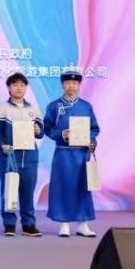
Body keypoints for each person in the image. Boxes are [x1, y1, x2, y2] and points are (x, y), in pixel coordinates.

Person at [44, 70, 100, 238]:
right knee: (63, 187)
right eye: (68, 83)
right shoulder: (54, 106)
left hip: (82, 154)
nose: (71, 86)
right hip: (63, 154)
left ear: (79, 85)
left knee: (83, 188)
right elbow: (47, 128)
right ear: (62, 85)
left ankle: (83, 224)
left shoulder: (86, 106)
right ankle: (64, 223)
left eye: (75, 83)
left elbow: (94, 129)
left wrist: (92, 142)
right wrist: (62, 134)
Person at [0, 72, 45, 237]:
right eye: (15, 85)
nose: (19, 88)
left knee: (28, 192)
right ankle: (9, 224)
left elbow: (41, 133)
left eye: (22, 85)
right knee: (9, 189)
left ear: (26, 87)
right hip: (9, 157)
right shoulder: (2, 109)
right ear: (9, 88)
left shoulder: (32, 109)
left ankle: (28, 224)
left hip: (29, 157)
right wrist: (2, 146)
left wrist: (38, 130)